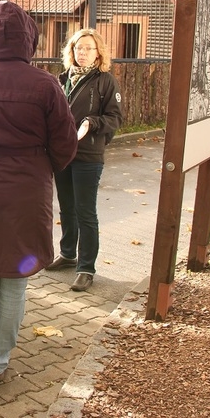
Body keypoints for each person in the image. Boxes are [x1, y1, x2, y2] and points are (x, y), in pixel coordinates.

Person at [0, 1, 78, 389]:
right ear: (29, 36)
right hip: (28, 193)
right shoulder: (45, 84)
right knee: (16, 283)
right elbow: (66, 145)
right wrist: (39, 165)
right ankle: (0, 363)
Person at [44, 28, 123, 292]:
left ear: (98, 52)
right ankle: (68, 254)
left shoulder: (105, 81)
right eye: (78, 48)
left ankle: (86, 267)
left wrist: (92, 122)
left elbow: (115, 118)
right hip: (63, 154)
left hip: (89, 155)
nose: (83, 52)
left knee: (85, 211)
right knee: (66, 207)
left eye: (88, 48)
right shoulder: (63, 79)